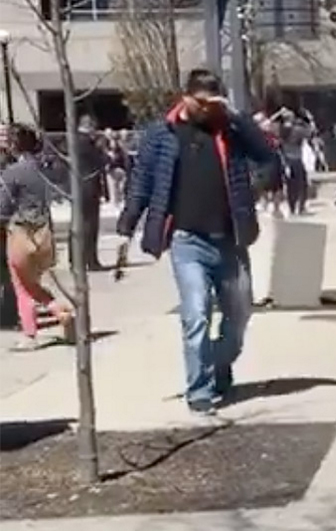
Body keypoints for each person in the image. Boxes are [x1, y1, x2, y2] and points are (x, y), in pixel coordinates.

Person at [116, 69, 274, 416]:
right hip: (188, 241)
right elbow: (141, 181)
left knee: (239, 316)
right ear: (185, 97)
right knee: (196, 314)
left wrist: (233, 114)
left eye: (212, 103)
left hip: (230, 239)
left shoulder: (229, 130)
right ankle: (199, 390)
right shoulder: (162, 134)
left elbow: (266, 156)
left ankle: (218, 364)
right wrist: (127, 226)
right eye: (200, 102)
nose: (206, 110)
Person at [1, 125, 74, 348]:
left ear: (14, 145)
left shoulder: (12, 173)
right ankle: (63, 313)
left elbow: (2, 207)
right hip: (44, 233)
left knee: (22, 287)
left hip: (21, 232)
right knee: (33, 283)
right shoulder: (45, 169)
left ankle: (31, 333)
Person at [75, 115, 106, 271]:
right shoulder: (87, 143)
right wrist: (100, 149)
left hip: (77, 187)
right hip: (89, 188)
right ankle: (90, 260)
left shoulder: (73, 140)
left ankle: (76, 260)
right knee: (90, 226)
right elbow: (101, 162)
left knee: (78, 225)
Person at [281, 114, 311, 216]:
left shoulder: (281, 130)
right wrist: (306, 121)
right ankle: (301, 208)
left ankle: (292, 208)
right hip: (297, 158)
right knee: (302, 184)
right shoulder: (297, 130)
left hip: (286, 159)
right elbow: (309, 133)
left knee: (290, 186)